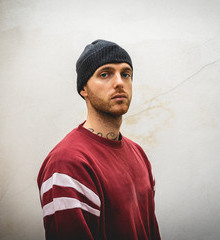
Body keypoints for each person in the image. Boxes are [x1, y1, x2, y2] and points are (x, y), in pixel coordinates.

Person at [37, 39, 161, 240]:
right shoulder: (68, 163)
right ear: (83, 89)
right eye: (105, 74)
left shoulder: (139, 154)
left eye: (126, 74)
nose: (120, 82)